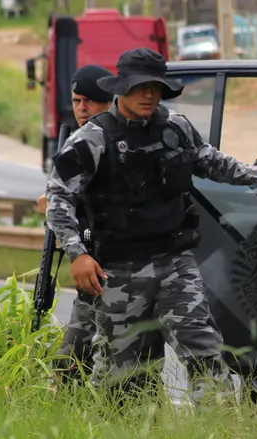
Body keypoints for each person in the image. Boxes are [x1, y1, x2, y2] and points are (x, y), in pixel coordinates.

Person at [45, 48, 257, 403]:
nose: (149, 94)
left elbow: (210, 160)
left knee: (204, 351)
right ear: (120, 90)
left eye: (155, 87)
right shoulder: (92, 139)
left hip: (175, 262)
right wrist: (77, 254)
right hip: (119, 271)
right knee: (123, 377)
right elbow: (58, 197)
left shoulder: (175, 127)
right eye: (139, 87)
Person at [37, 64, 169, 382]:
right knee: (68, 365)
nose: (83, 109)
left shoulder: (125, 141)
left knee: (129, 368)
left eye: (91, 101)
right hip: (94, 272)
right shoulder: (80, 142)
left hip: (130, 271)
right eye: (77, 100)